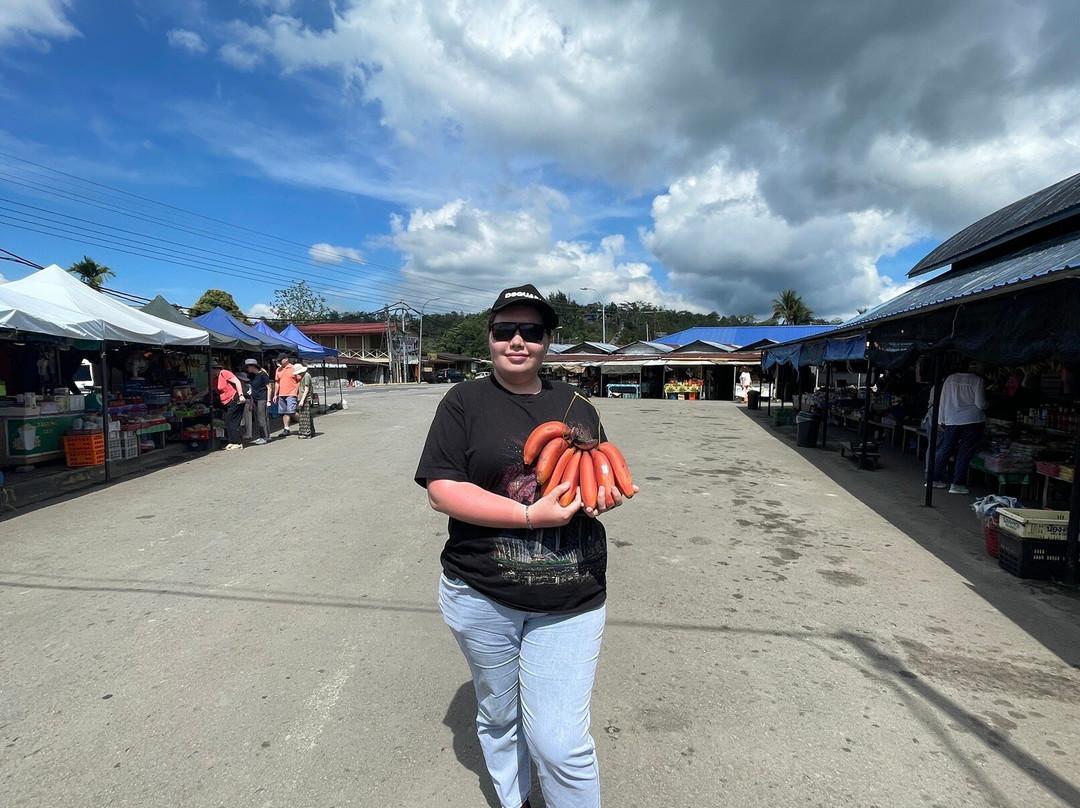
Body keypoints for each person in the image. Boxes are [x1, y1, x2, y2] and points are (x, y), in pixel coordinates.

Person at [415, 283, 639, 808]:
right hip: (481, 592)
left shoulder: (576, 404)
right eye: (504, 330)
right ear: (489, 337)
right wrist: (528, 515)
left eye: (531, 332)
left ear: (547, 341)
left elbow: (592, 473)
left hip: (571, 595)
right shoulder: (463, 401)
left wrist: (601, 496)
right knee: (499, 715)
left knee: (559, 743)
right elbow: (443, 491)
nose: (517, 341)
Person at [929, 361, 988, 494]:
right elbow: (981, 403)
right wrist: (988, 405)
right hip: (972, 421)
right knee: (964, 452)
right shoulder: (978, 380)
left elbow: (942, 401)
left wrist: (941, 419)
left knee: (945, 449)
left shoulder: (950, 379)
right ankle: (957, 484)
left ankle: (933, 479)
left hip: (951, 420)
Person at [210, 361, 246, 450]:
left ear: (214, 369)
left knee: (231, 420)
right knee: (227, 421)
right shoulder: (215, 379)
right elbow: (208, 390)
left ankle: (237, 442)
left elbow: (237, 382)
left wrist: (241, 395)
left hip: (235, 398)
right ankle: (232, 441)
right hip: (227, 402)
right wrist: (194, 398)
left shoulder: (224, 373)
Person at [271, 353, 299, 437]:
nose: (279, 362)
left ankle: (303, 422)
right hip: (281, 394)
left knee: (292, 411)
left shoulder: (293, 368)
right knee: (284, 412)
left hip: (291, 393)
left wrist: (296, 392)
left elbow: (298, 381)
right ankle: (286, 428)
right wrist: (275, 394)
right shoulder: (278, 370)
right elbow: (277, 382)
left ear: (286, 359)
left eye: (280, 360)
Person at [245, 358, 271, 445]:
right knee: (259, 418)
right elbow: (252, 389)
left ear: (252, 366)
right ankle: (266, 436)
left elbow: (269, 387)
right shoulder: (251, 376)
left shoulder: (263, 375)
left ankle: (264, 437)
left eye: (248, 367)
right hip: (255, 399)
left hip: (262, 399)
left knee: (261, 418)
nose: (247, 369)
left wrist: (268, 400)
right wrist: (252, 402)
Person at [294, 363, 315, 439]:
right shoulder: (305, 375)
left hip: (305, 399)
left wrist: (302, 400)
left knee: (304, 417)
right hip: (304, 398)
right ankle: (311, 432)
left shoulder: (306, 376)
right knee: (307, 416)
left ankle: (306, 433)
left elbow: (307, 388)